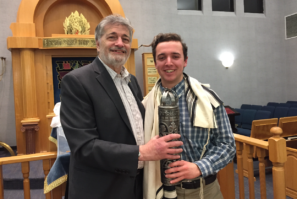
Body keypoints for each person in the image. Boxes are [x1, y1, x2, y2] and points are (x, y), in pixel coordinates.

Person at [60, 15, 183, 199]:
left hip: (134, 185)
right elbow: (84, 147)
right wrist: (142, 152)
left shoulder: (131, 81)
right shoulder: (77, 81)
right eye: (112, 37)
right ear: (98, 44)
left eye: (125, 39)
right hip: (101, 189)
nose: (120, 43)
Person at [142, 33, 236, 199]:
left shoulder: (208, 99)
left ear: (185, 61)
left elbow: (227, 144)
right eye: (162, 57)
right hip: (160, 191)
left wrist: (200, 167)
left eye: (175, 56)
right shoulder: (144, 105)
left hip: (204, 190)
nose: (168, 62)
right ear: (155, 63)